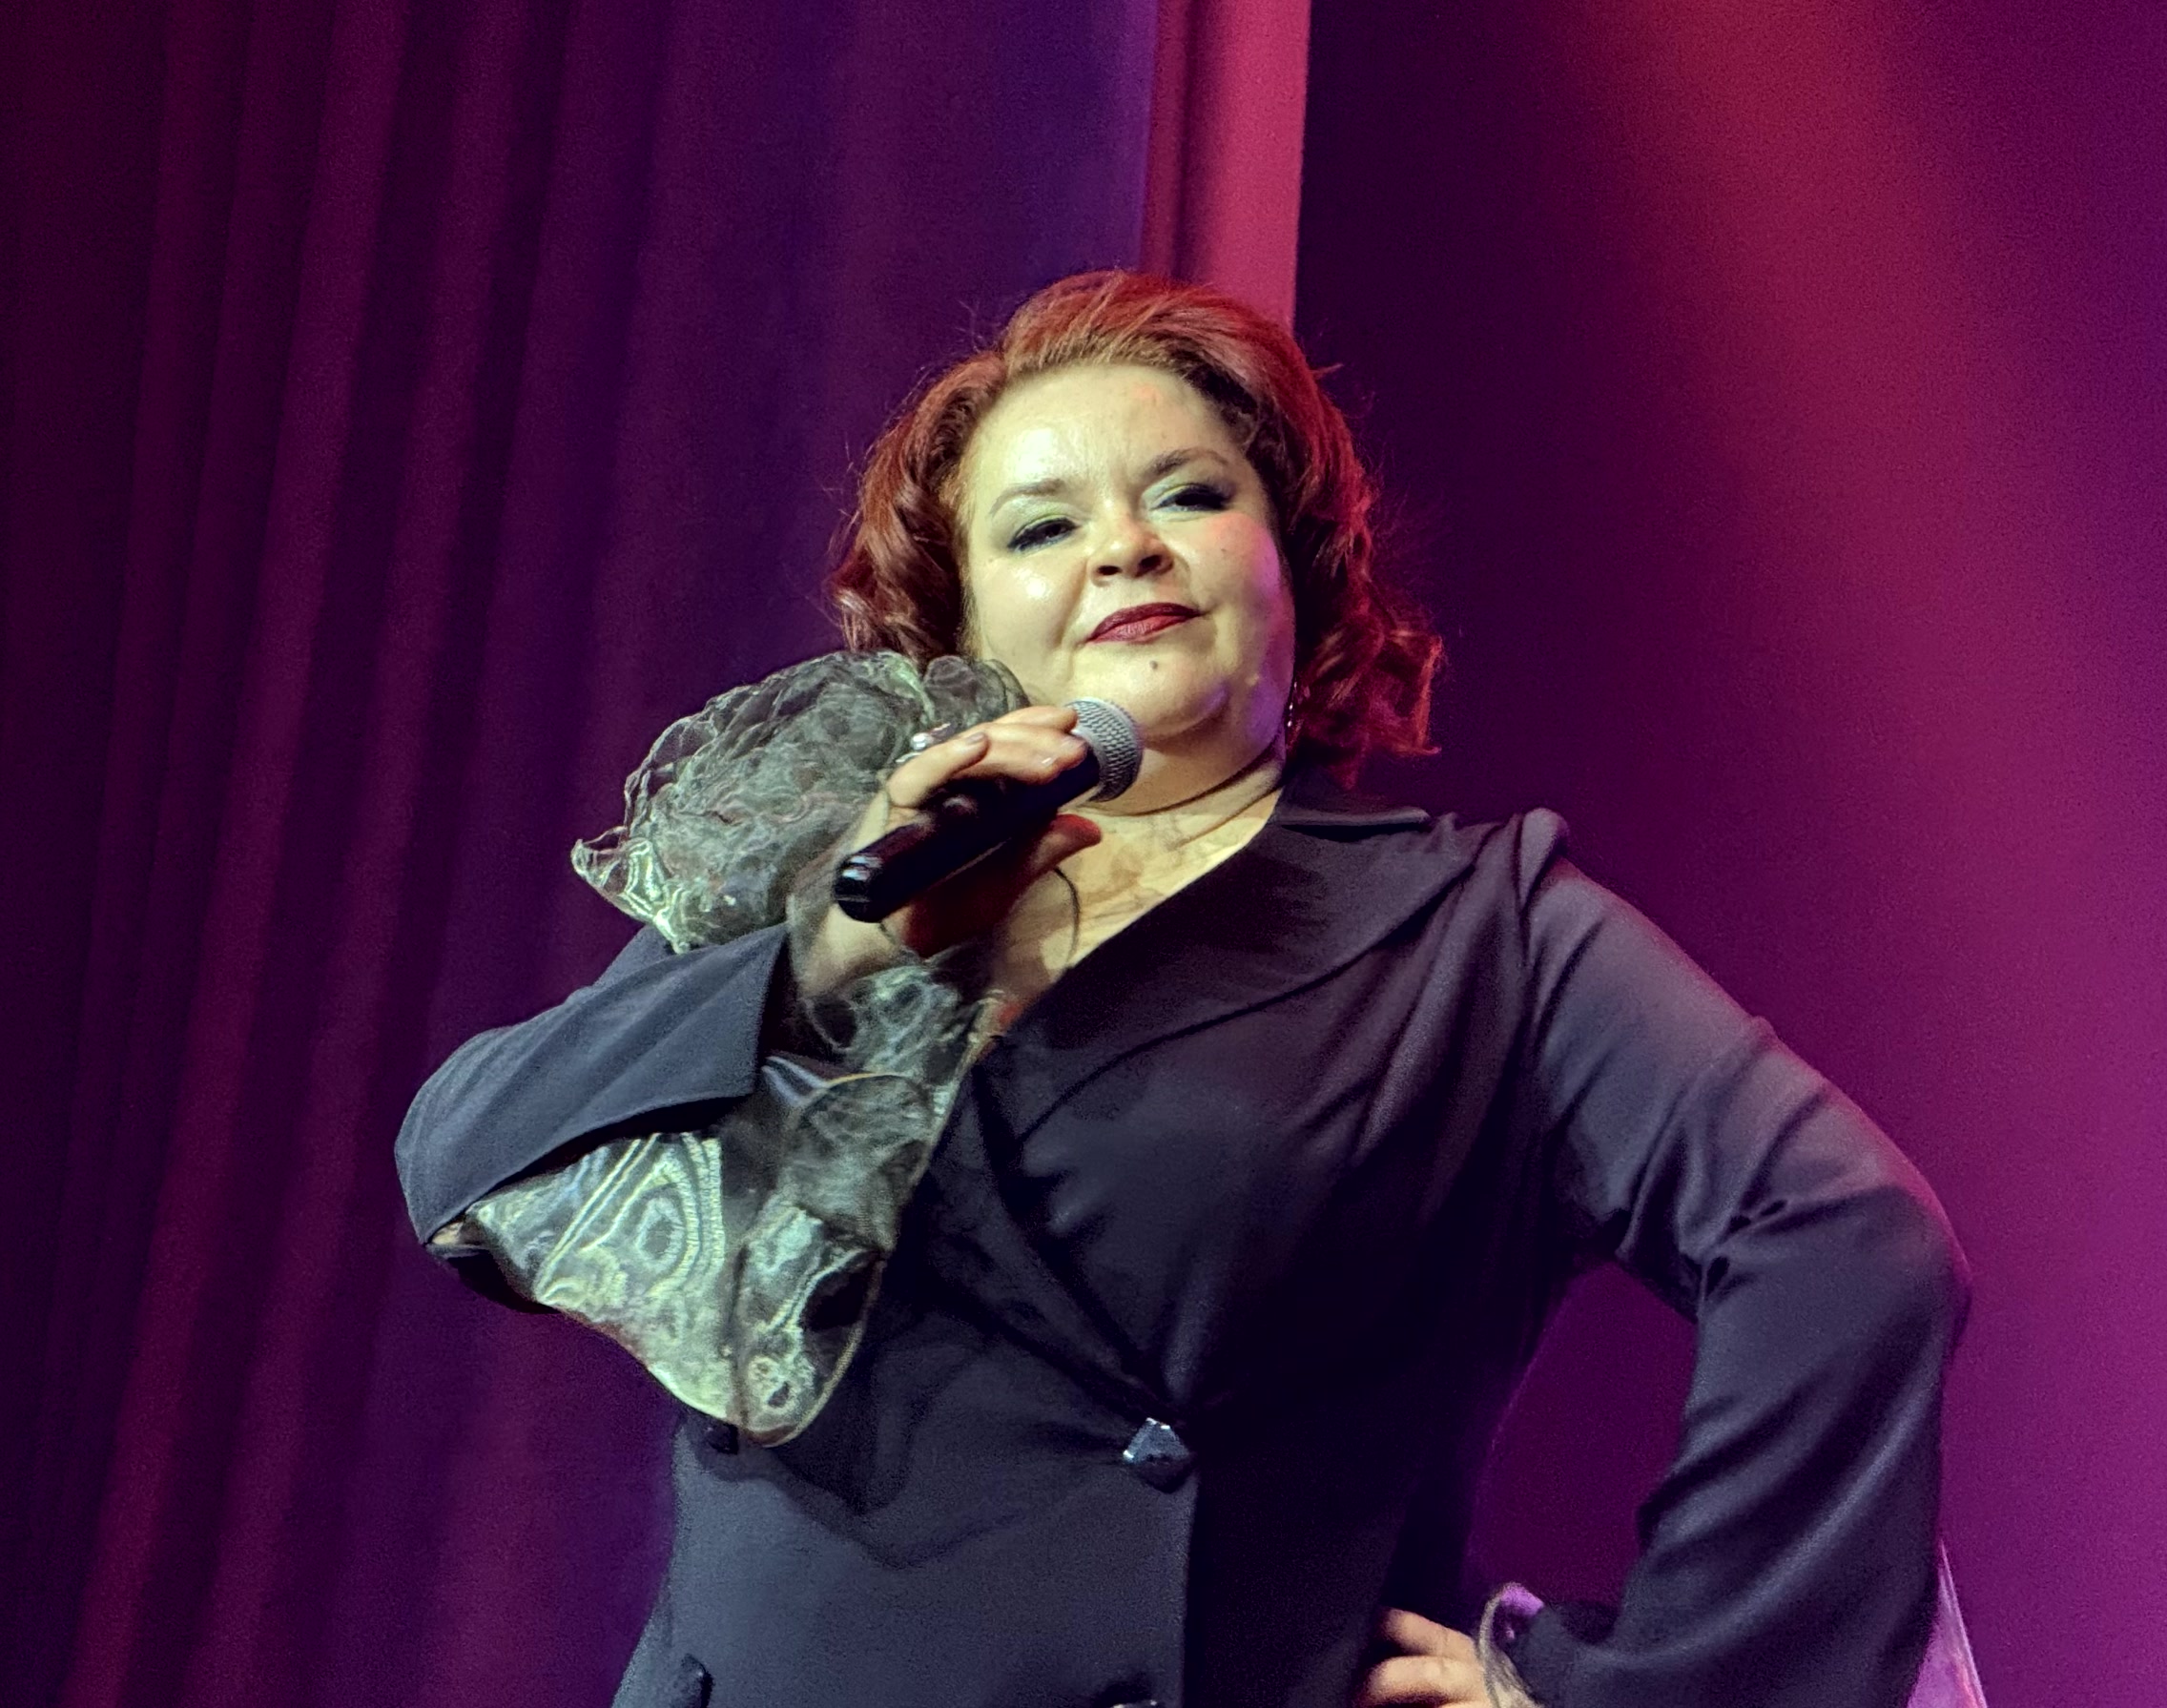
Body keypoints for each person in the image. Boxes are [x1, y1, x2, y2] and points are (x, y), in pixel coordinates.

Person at [395, 271, 1973, 1708]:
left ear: (1296, 571)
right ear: (959, 628)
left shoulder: (1480, 934)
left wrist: (1637, 1687)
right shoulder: (847, 874)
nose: (1124, 547)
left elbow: (1843, 1236)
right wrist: (835, 952)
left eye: (1190, 495)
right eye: (1040, 528)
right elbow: (470, 1177)